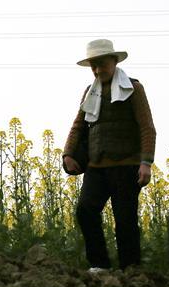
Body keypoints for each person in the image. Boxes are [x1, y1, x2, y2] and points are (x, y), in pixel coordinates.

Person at [63, 39, 157, 273]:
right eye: (93, 66)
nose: (97, 70)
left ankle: (130, 269)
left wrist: (146, 162)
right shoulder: (90, 91)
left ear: (114, 62)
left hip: (127, 165)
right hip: (96, 166)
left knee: (125, 220)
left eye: (101, 64)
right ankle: (99, 264)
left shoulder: (133, 88)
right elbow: (78, 126)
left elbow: (147, 127)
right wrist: (68, 154)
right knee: (85, 210)